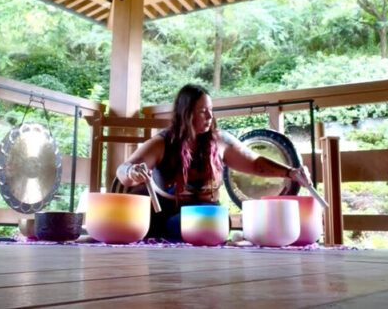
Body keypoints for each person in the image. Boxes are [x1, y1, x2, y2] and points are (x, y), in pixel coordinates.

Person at [116, 83, 312, 240]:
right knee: (184, 223)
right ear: (186, 113)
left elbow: (255, 164)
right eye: (202, 111)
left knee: (210, 221)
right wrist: (133, 172)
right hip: (168, 217)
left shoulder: (220, 141)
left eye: (210, 110)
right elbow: (123, 172)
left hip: (209, 216)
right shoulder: (162, 143)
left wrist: (291, 172)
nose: (210, 116)